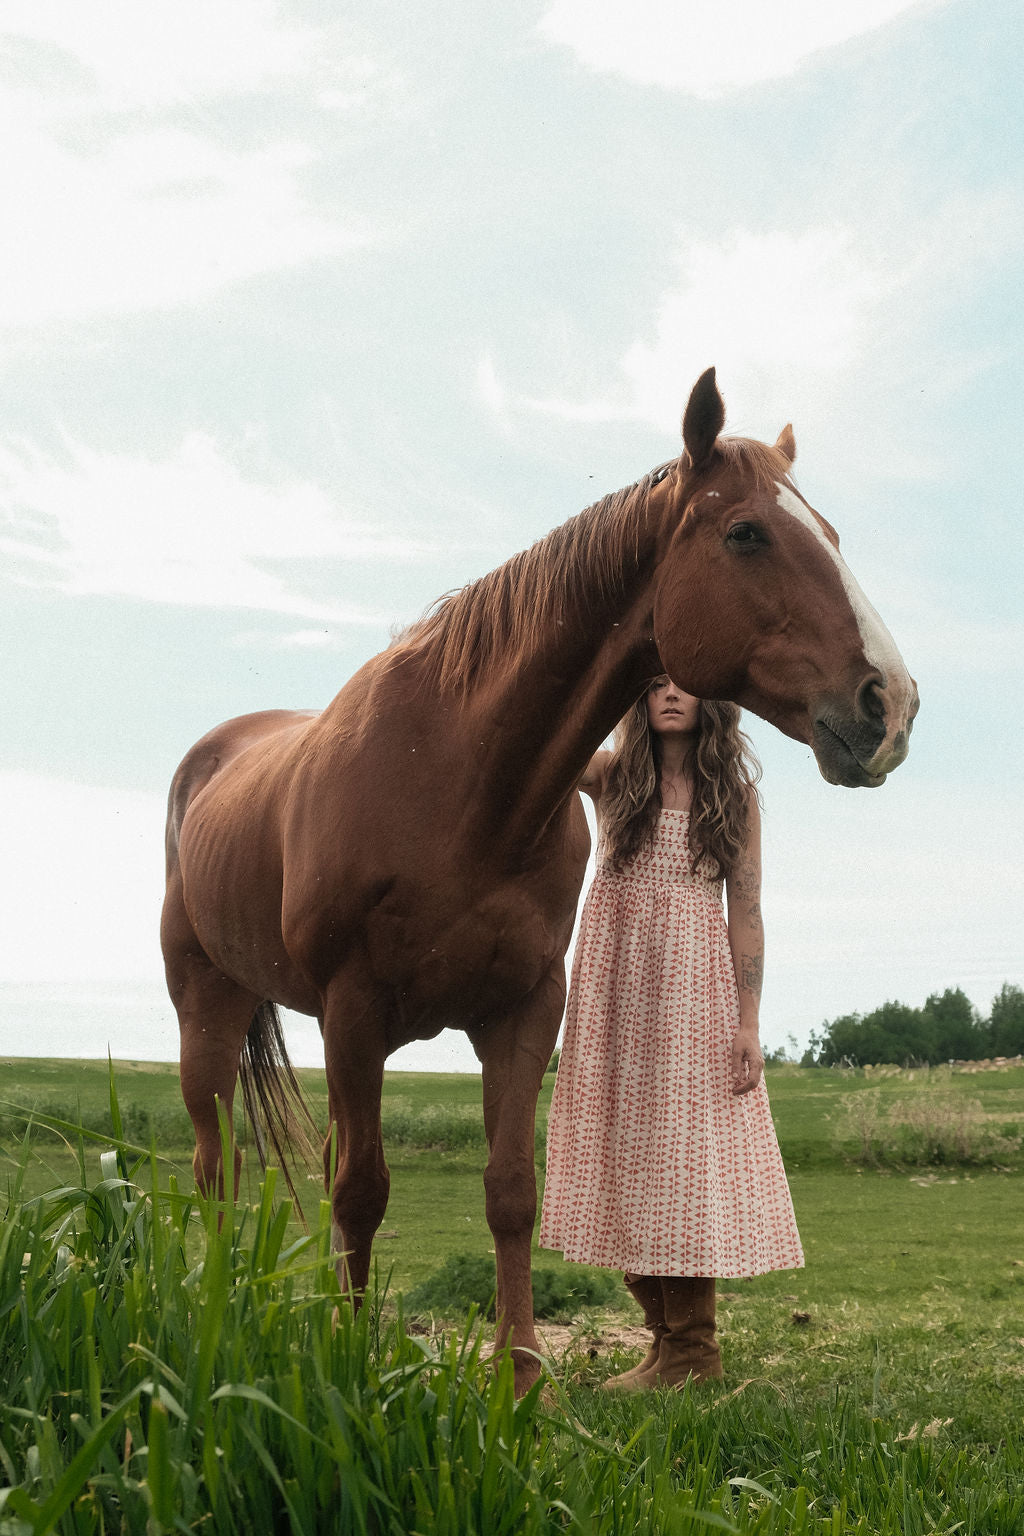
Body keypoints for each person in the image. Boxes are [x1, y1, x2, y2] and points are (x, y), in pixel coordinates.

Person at [539, 677, 803, 1390]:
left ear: (712, 697)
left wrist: (748, 1024)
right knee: (626, 1152)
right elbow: (546, 744)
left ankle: (694, 1350)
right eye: (654, 683)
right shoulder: (611, 775)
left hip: (693, 992)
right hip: (615, 988)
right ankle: (667, 1346)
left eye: (685, 682)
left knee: (681, 1159)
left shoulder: (733, 797)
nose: (670, 694)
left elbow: (746, 913)